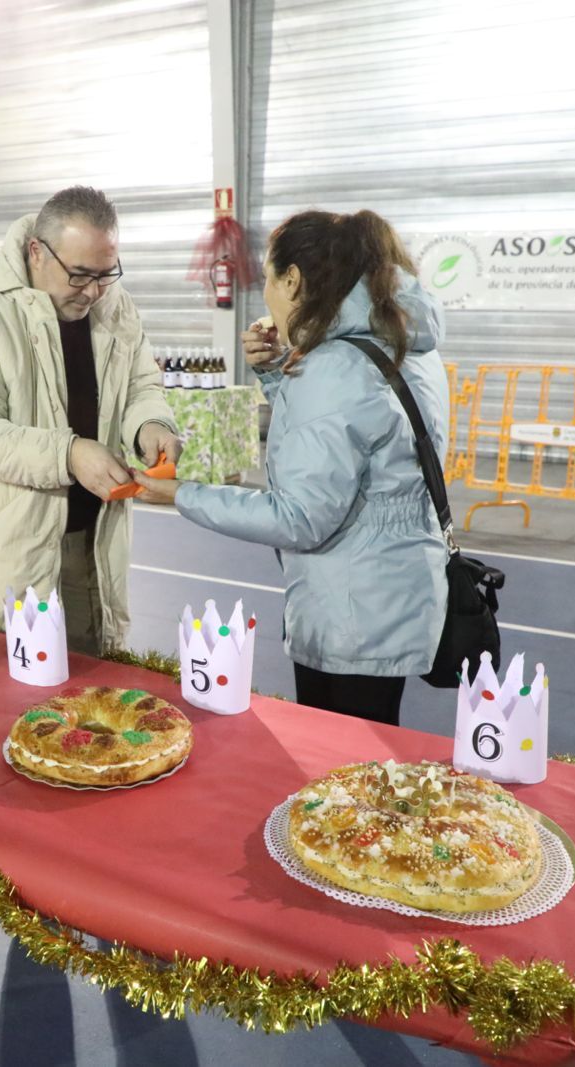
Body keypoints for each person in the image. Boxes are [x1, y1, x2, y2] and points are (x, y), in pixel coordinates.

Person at [136, 210, 450, 726]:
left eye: (267, 280)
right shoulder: (403, 343)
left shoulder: (333, 368)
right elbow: (351, 442)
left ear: (294, 280)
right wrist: (276, 374)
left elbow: (300, 517)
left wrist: (182, 495)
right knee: (369, 754)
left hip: (347, 611)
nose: (267, 297)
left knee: (337, 775)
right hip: (396, 591)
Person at [0, 186, 182, 654]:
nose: (93, 291)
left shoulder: (114, 304)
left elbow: (142, 384)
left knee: (91, 702)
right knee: (6, 703)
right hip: (10, 550)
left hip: (93, 544)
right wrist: (68, 454)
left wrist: (151, 424)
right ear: (37, 252)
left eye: (106, 274)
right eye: (80, 275)